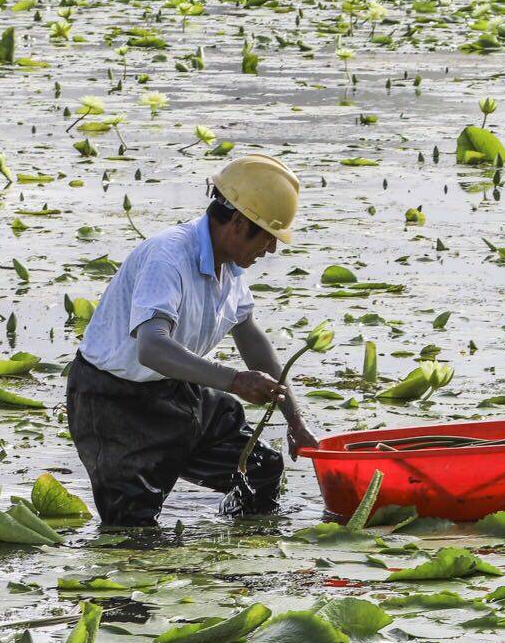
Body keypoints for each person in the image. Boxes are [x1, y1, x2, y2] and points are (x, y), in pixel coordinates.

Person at [66, 154, 318, 528]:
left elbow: (250, 338)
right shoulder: (168, 257)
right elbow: (151, 347)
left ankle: (236, 564)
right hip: (114, 402)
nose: (271, 250)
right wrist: (233, 381)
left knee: (260, 470)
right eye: (267, 236)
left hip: (176, 391)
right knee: (132, 528)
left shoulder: (230, 267)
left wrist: (294, 420)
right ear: (237, 222)